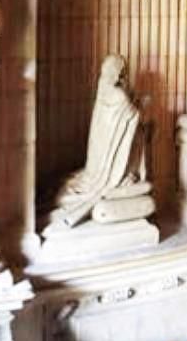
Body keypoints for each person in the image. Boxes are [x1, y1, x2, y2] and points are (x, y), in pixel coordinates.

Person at [45, 54, 150, 233]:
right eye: (121, 71)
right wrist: (142, 105)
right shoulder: (118, 95)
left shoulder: (104, 87)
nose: (123, 75)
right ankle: (117, 180)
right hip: (107, 164)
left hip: (97, 151)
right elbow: (131, 114)